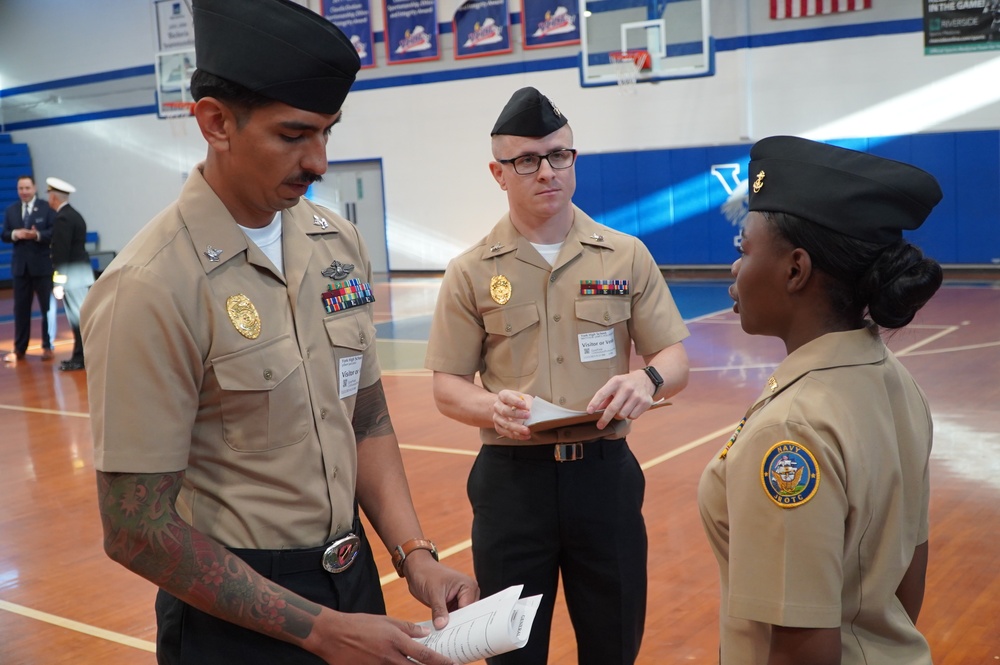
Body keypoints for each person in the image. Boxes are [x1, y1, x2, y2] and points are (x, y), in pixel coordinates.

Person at [80, 1, 477, 663]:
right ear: (215, 122)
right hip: (234, 618)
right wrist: (320, 630)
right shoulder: (150, 286)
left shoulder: (337, 244)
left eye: (328, 132)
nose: (319, 161)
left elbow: (367, 416)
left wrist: (415, 556)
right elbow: (135, 528)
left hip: (353, 586)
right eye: (294, 134)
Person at [424, 87, 690, 665]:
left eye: (559, 155)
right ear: (498, 173)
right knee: (513, 651)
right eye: (527, 160)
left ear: (574, 160)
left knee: (613, 642)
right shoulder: (470, 272)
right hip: (512, 484)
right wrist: (489, 408)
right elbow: (447, 385)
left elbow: (674, 357)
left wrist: (647, 381)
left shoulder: (625, 255)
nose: (547, 171)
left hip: (605, 477)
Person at [698, 135, 943, 665]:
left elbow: (798, 646)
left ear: (795, 270)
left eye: (744, 250)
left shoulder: (791, 429)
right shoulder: (896, 380)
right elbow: (908, 577)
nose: (734, 270)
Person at [2, 175, 55, 363]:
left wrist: (36, 235)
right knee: (20, 310)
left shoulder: (47, 207)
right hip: (20, 269)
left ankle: (48, 346)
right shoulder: (11, 210)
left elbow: (53, 232)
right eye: (20, 188)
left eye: (27, 188)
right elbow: (5, 234)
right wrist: (16, 234)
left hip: (42, 267)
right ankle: (19, 348)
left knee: (46, 309)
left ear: (34, 188)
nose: (24, 191)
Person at [46, 177, 93, 371]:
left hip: (72, 278)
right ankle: (80, 355)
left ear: (54, 198)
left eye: (49, 194)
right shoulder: (75, 214)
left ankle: (81, 358)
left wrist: (58, 282)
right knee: (82, 318)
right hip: (81, 275)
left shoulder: (63, 218)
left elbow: (62, 253)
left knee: (78, 320)